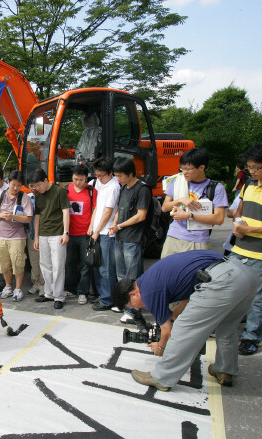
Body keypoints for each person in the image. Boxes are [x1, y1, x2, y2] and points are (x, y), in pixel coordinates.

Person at [112, 250, 258, 391]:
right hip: (245, 274)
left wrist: (161, 347)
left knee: (182, 329)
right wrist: (175, 313)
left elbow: (168, 332)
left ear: (133, 294)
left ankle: (162, 377)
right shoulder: (153, 277)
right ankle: (225, 370)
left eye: (131, 305)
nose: (137, 309)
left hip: (223, 280)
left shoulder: (148, 292)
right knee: (227, 328)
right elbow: (190, 293)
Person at [160, 148, 228, 258]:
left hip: (198, 241)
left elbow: (219, 219)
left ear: (202, 167)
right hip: (173, 237)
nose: (184, 172)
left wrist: (189, 216)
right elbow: (164, 207)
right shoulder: (178, 182)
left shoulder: (216, 188)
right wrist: (180, 200)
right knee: (167, 273)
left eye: (188, 169)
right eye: (182, 168)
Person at [108, 157, 151, 324]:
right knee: (121, 274)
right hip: (120, 236)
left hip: (133, 237)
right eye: (116, 176)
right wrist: (114, 224)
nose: (118, 179)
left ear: (130, 173)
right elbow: (119, 210)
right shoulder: (124, 188)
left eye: (120, 176)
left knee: (132, 276)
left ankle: (132, 310)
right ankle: (123, 302)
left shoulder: (142, 189)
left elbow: (141, 215)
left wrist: (120, 226)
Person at [232, 144, 262, 356]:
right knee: (232, 291)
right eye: (250, 167)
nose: (252, 171)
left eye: (257, 167)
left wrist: (249, 229)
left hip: (259, 253)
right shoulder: (248, 184)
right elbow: (238, 211)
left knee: (257, 298)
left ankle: (251, 336)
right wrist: (237, 224)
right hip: (239, 248)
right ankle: (229, 329)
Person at [28, 168, 70, 309]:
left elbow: (66, 212)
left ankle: (59, 296)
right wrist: (36, 237)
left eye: (39, 185)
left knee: (58, 266)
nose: (37, 188)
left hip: (58, 233)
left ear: (46, 180)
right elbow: (37, 217)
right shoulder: (38, 196)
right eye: (34, 186)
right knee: (45, 265)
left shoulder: (59, 191)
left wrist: (66, 232)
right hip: (43, 234)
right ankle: (48, 293)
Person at [0, 171, 33, 302]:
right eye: (13, 184)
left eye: (18, 185)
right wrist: (2, 215)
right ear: (8, 182)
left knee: (18, 263)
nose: (15, 188)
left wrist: (13, 216)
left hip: (17, 236)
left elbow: (28, 218)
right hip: (1, 236)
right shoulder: (0, 195)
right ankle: (8, 286)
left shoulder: (24, 197)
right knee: (4, 263)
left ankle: (18, 289)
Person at [88, 157, 121, 311]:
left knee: (107, 268)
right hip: (98, 231)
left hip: (107, 233)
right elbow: (97, 208)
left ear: (110, 173)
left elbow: (108, 212)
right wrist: (92, 227)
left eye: (101, 175)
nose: (99, 178)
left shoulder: (114, 186)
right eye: (97, 175)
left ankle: (108, 300)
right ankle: (104, 296)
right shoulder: (102, 185)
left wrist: (97, 231)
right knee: (99, 266)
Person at [64, 165, 97, 305]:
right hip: (70, 233)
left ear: (86, 179)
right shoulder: (67, 189)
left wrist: (91, 227)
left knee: (85, 264)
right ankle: (70, 288)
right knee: (70, 262)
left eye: (81, 180)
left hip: (85, 233)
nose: (77, 182)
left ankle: (83, 292)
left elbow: (95, 209)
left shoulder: (91, 191)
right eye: (75, 179)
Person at [26, 184, 45, 296]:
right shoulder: (26, 198)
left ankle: (43, 285)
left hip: (43, 235)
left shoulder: (44, 197)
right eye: (31, 186)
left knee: (43, 261)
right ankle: (36, 283)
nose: (33, 188)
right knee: (34, 261)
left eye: (36, 185)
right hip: (31, 234)